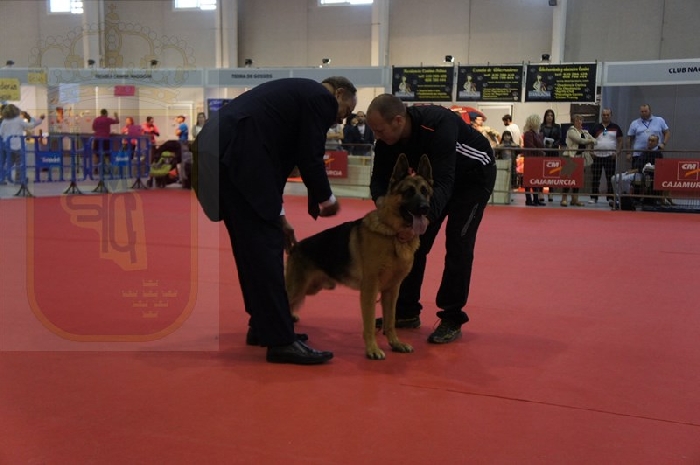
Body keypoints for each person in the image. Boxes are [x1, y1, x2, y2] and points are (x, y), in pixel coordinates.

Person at [193, 76, 357, 364]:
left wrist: (279, 217)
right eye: (346, 111)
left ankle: (262, 326)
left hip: (219, 152)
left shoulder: (292, 99)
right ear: (339, 93)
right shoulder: (320, 98)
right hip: (238, 155)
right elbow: (310, 155)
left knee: (251, 249)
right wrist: (326, 199)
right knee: (266, 251)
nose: (341, 120)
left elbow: (273, 168)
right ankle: (281, 340)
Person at [366, 94, 497, 344]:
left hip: (473, 177)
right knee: (416, 243)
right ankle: (406, 311)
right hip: (438, 181)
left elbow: (445, 181)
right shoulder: (386, 140)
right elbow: (380, 181)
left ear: (397, 121)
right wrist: (387, 214)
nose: (376, 135)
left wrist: (424, 219)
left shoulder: (439, 124)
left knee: (458, 242)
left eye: (379, 130)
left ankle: (452, 317)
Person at [610, 134, 663, 209]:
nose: (650, 142)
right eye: (649, 140)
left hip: (644, 174)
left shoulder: (658, 154)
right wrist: (632, 170)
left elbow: (651, 167)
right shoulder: (645, 151)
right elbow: (637, 164)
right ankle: (619, 199)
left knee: (624, 179)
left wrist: (636, 170)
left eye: (652, 141)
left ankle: (627, 200)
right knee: (614, 178)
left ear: (657, 142)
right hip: (634, 171)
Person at [0, 104, 44, 183]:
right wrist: (40, 120)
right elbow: (30, 126)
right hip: (19, 146)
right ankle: (19, 178)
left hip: (8, 146)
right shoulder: (18, 120)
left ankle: (2, 178)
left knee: (8, 163)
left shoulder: (4, 121)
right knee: (20, 163)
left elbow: (1, 133)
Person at [589, 108, 623, 203]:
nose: (606, 116)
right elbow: (589, 141)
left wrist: (617, 153)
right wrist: (590, 151)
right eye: (604, 115)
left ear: (611, 115)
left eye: (608, 115)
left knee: (610, 178)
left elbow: (620, 141)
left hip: (610, 156)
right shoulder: (596, 127)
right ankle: (594, 197)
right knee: (595, 178)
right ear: (601, 115)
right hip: (597, 156)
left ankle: (610, 197)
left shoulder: (616, 127)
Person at [563, 115, 596, 207]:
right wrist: (590, 140)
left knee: (578, 179)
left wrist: (591, 140)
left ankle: (575, 199)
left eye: (580, 120)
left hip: (581, 158)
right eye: (577, 120)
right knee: (568, 179)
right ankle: (564, 198)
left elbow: (595, 140)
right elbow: (580, 141)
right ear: (574, 122)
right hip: (572, 157)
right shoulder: (571, 131)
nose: (579, 122)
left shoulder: (585, 132)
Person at [522, 113, 546, 206]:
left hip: (536, 159)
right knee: (529, 180)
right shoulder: (528, 133)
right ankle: (528, 199)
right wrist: (541, 152)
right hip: (531, 159)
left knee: (535, 179)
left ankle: (535, 199)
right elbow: (530, 146)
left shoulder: (537, 134)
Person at [539, 109, 562, 201]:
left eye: (551, 115)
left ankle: (551, 192)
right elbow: (539, 138)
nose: (549, 117)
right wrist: (544, 144)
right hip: (543, 152)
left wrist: (553, 145)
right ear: (545, 117)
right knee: (541, 173)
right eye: (548, 115)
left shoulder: (557, 126)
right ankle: (540, 192)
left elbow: (560, 138)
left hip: (553, 151)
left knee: (552, 172)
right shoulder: (541, 126)